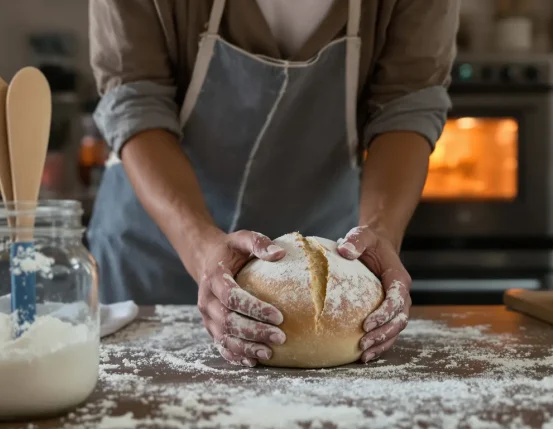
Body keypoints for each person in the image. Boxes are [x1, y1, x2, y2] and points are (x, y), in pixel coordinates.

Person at [88, 0, 459, 367]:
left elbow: (405, 103)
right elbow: (135, 98)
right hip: (155, 244)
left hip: (327, 255)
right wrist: (200, 246)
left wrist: (381, 234)